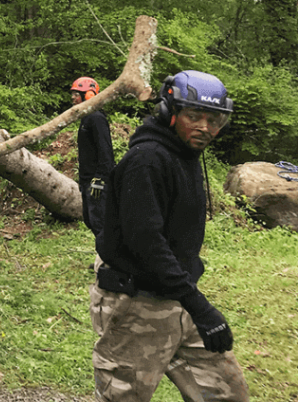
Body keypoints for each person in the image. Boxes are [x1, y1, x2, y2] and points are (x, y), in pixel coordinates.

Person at [91, 70, 249, 402]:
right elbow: (146, 242)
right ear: (169, 111)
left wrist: (190, 298)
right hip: (137, 306)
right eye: (194, 116)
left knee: (227, 392)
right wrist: (201, 308)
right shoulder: (147, 161)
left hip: (177, 296)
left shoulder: (186, 153)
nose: (205, 127)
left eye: (215, 119)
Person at [70, 76, 114, 240]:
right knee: (91, 221)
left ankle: (109, 262)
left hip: (97, 182)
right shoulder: (86, 117)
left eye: (76, 94)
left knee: (100, 222)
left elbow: (106, 151)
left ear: (88, 95)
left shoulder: (96, 118)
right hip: (87, 180)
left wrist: (101, 178)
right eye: (73, 95)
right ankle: (103, 259)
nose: (73, 99)